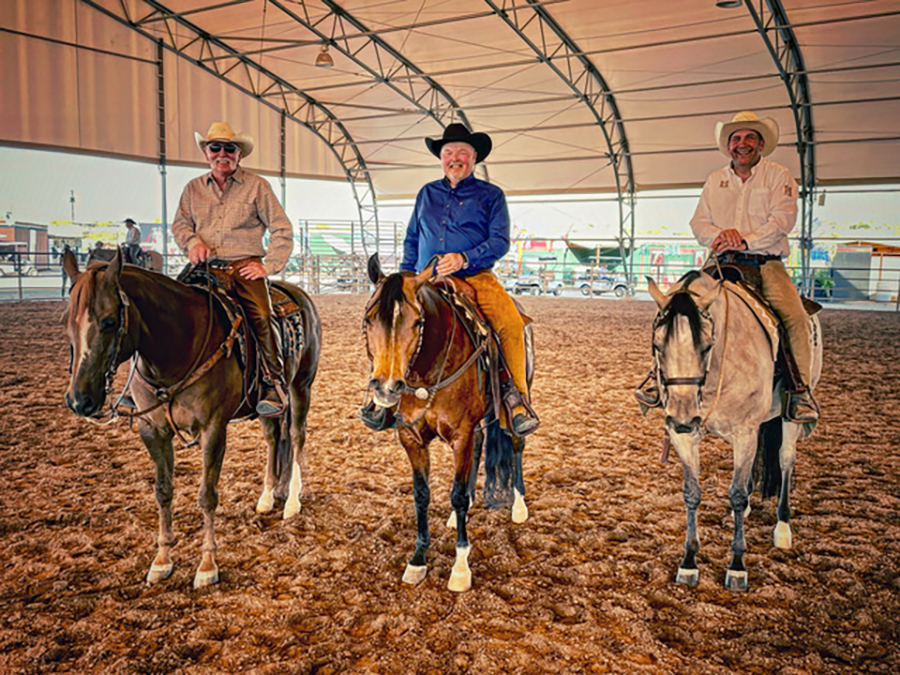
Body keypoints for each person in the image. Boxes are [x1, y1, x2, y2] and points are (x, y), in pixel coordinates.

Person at [635, 111, 818, 423]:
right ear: (729, 146)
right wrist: (720, 236)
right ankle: (656, 378)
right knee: (671, 307)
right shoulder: (715, 180)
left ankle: (799, 392)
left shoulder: (779, 176)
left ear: (761, 144)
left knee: (795, 316)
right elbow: (698, 222)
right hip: (719, 261)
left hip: (764, 264)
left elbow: (782, 221)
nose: (742, 144)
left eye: (749, 138)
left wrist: (743, 240)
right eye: (736, 138)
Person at [360, 123, 539, 436]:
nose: (455, 158)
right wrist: (406, 277)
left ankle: (516, 399)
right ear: (441, 159)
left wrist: (464, 258)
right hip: (423, 279)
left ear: (473, 159)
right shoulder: (427, 193)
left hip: (475, 276)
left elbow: (500, 241)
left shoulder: (491, 196)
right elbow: (413, 237)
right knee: (389, 322)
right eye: (448, 153)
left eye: (462, 153)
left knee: (510, 324)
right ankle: (383, 395)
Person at [172, 121, 293, 418]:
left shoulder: (257, 186)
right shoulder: (192, 189)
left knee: (262, 315)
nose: (222, 153)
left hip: (242, 268)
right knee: (162, 308)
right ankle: (151, 383)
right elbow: (181, 224)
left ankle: (271, 381)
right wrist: (192, 243)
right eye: (216, 148)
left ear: (239, 155)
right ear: (206, 153)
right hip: (203, 267)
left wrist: (267, 265)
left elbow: (281, 228)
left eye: (230, 148)